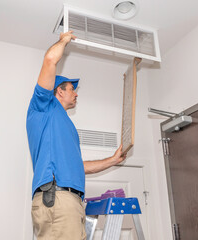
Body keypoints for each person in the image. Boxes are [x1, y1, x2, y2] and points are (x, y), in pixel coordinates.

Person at [26, 31, 127, 240]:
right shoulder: (44, 108)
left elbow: (78, 167)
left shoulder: (65, 126)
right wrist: (64, 40)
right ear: (58, 92)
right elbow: (50, 60)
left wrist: (113, 160)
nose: (76, 93)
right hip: (58, 200)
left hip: (69, 202)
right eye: (72, 88)